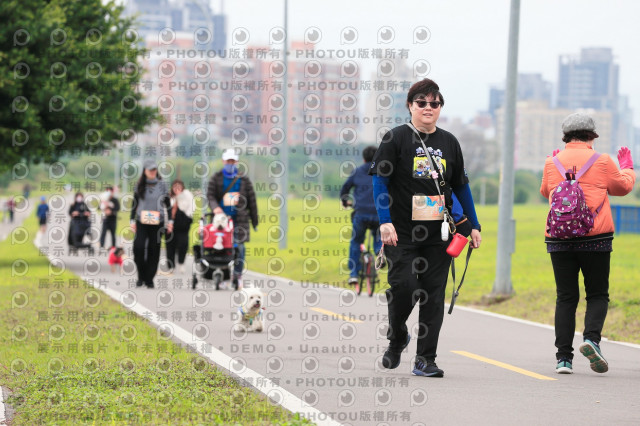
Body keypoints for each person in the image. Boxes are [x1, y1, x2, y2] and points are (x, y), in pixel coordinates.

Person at [369, 78, 481, 378]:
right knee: (404, 287)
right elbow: (379, 182)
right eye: (422, 103)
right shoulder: (395, 138)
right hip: (400, 232)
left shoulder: (450, 142)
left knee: (433, 294)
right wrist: (385, 221)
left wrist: (474, 225)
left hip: (438, 234)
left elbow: (461, 186)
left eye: (434, 103)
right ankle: (397, 338)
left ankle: (425, 359)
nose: (428, 107)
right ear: (410, 106)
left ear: (440, 107)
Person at [540, 112, 635, 375]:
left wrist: (557, 166)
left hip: (559, 238)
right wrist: (627, 167)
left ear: (566, 136)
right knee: (597, 294)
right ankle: (591, 340)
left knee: (565, 297)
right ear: (592, 136)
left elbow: (546, 192)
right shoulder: (602, 160)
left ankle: (563, 359)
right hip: (595, 238)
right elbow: (623, 187)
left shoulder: (551, 162)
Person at [207, 149, 258, 289]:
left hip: (239, 220)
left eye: (232, 161)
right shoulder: (216, 178)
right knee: (221, 248)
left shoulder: (244, 180)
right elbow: (210, 195)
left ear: (236, 162)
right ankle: (223, 275)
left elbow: (252, 201)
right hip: (221, 220)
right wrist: (215, 208)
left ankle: (237, 275)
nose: (230, 163)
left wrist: (255, 221)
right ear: (223, 161)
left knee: (239, 247)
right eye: (228, 161)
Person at [340, 146, 383, 285]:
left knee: (356, 242)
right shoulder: (383, 171)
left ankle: (353, 274)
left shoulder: (357, 171)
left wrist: (345, 201)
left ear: (364, 158)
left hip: (361, 213)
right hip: (378, 213)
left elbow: (345, 189)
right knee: (379, 236)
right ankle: (379, 252)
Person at [130, 159, 173, 288]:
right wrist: (132, 220)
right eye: (150, 170)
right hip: (141, 221)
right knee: (138, 248)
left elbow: (168, 204)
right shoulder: (139, 185)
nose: (152, 172)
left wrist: (170, 221)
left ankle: (149, 279)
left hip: (157, 222)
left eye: (154, 169)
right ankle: (141, 275)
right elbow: (134, 203)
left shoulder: (162, 184)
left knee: (154, 250)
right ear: (145, 171)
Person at [165, 179, 194, 273]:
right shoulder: (168, 197)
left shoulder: (187, 195)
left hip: (183, 224)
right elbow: (165, 210)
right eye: (175, 187)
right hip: (170, 224)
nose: (177, 189)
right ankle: (171, 266)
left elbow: (188, 208)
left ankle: (181, 262)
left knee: (183, 244)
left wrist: (179, 197)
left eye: (179, 187)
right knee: (170, 245)